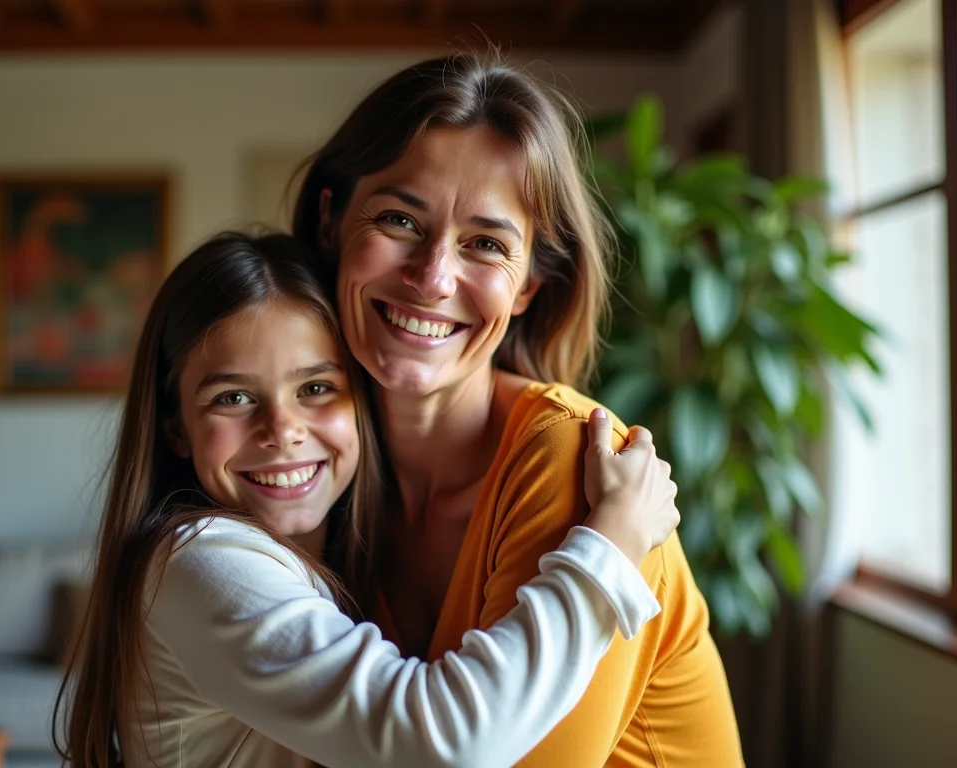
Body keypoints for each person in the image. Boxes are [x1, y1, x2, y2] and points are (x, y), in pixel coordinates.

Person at [58, 232, 682, 768]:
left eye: (316, 388)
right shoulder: (201, 564)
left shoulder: (337, 560)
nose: (283, 430)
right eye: (233, 398)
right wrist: (611, 550)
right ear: (176, 428)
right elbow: (442, 744)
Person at [291, 50, 745, 767]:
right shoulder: (314, 467)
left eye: (486, 244)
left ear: (529, 286)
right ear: (330, 222)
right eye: (399, 220)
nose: (433, 277)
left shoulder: (580, 469)